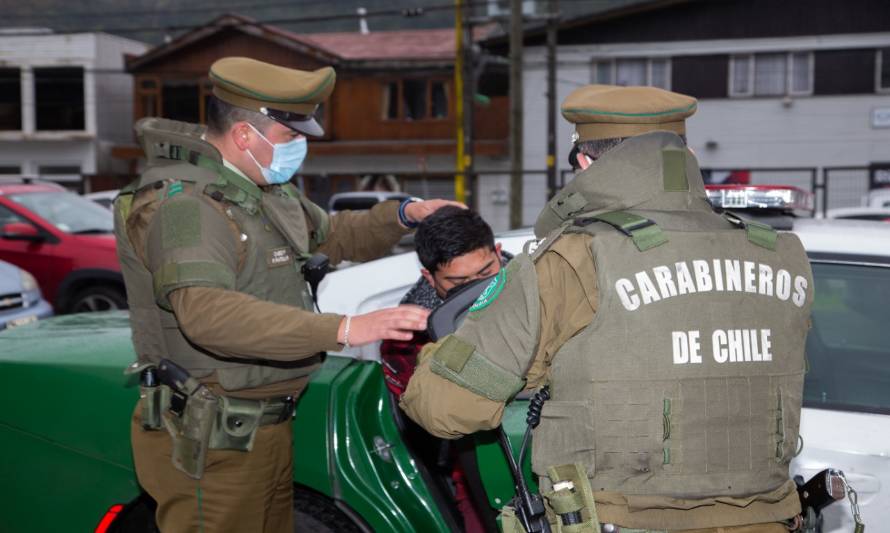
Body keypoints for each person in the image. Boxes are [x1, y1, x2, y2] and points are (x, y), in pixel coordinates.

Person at [401, 84, 814, 533]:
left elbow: (444, 408)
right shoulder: (779, 253)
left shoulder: (567, 260)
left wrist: (436, 356)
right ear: (686, 154)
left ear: (583, 162)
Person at [113, 56, 460, 533]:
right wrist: (344, 328)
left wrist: (404, 215)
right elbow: (207, 314)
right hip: (212, 437)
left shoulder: (263, 193)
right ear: (243, 135)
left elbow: (333, 235)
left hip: (262, 427)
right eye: (291, 136)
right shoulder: (186, 209)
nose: (300, 148)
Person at [381, 207, 506, 533]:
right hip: (473, 460)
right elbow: (427, 416)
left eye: (485, 273)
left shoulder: (544, 284)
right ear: (429, 277)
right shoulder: (408, 336)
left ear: (498, 252)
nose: (477, 289)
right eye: (458, 282)